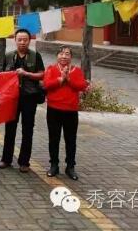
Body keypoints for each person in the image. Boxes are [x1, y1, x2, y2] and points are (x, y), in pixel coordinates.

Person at [0, 29, 45, 173]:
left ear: (29, 41)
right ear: (15, 40)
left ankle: (24, 162)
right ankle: (6, 159)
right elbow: (2, 74)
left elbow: (42, 74)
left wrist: (26, 73)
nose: (22, 42)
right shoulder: (8, 56)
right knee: (10, 128)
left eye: (25, 40)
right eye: (20, 39)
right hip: (12, 98)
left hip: (29, 97)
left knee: (27, 129)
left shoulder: (35, 56)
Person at [43, 46, 88, 180]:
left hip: (71, 110)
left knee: (71, 140)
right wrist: (60, 79)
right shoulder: (51, 69)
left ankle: (70, 167)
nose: (64, 56)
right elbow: (46, 85)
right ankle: (54, 165)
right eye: (61, 53)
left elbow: (82, 86)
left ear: (71, 57)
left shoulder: (77, 71)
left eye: (67, 54)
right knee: (54, 139)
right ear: (57, 56)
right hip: (54, 109)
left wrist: (68, 79)